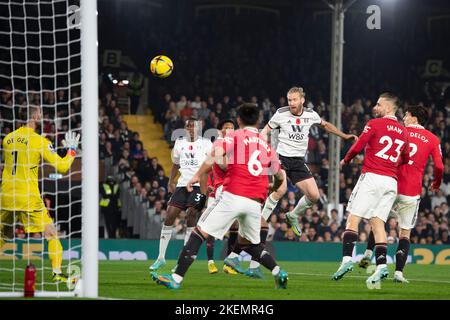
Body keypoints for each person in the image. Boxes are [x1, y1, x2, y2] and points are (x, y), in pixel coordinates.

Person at [150, 103, 288, 290]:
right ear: (258, 121)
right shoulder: (265, 144)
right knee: (249, 244)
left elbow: (214, 155)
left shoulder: (234, 136)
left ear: (238, 120)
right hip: (255, 203)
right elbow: (279, 175)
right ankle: (278, 272)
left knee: (199, 232)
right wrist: (274, 188)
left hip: (233, 196)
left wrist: (197, 175)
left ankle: (176, 278)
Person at [331, 93, 410, 289]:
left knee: (353, 218)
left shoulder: (375, 123)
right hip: (391, 182)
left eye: (379, 104)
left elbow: (358, 145)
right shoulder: (404, 132)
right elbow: (406, 158)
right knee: (378, 223)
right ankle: (382, 266)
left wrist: (346, 160)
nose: (376, 107)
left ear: (389, 108)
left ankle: (346, 260)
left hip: (372, 178)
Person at [358, 105, 444, 283]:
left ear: (414, 118)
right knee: (404, 233)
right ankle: (398, 273)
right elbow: (439, 166)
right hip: (411, 192)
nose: (403, 117)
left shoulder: (399, 132)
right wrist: (436, 183)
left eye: (406, 115)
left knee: (379, 221)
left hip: (392, 185)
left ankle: (368, 254)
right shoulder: (433, 139)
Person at [261, 86, 358, 237]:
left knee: (314, 195)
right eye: (289, 100)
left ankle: (292, 216)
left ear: (302, 100)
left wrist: (344, 136)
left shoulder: (311, 114)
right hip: (280, 158)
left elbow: (325, 125)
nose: (291, 103)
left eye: (294, 99)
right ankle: (261, 220)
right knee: (281, 189)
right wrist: (260, 146)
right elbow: (265, 131)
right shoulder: (280, 114)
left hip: (298, 161)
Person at [0, 105, 80, 283]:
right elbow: (63, 167)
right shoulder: (40, 141)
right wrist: (72, 150)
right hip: (28, 196)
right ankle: (57, 272)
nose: (43, 117)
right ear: (35, 116)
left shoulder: (8, 139)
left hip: (5, 194)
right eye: (41, 114)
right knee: (51, 233)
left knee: (3, 235)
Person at [149, 118, 212, 271]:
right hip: (182, 184)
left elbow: (212, 165)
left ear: (199, 127)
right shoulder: (179, 143)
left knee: (191, 215)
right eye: (188, 126)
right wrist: (171, 181)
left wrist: (209, 186)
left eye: (193, 126)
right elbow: (176, 164)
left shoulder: (207, 143)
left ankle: (181, 260)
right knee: (170, 215)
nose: (191, 128)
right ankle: (161, 258)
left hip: (199, 186)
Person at [202, 119, 237, 275]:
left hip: (233, 191)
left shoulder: (237, 147)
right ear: (220, 131)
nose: (229, 130)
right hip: (218, 191)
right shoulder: (218, 146)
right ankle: (210, 262)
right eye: (226, 127)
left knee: (235, 227)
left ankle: (228, 264)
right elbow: (210, 168)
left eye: (232, 128)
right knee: (210, 227)